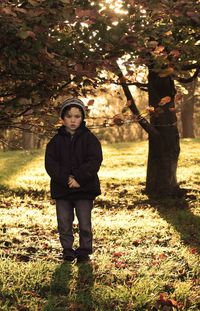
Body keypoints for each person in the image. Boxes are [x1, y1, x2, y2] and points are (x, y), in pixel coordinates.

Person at [45, 98, 103, 263]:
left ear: (82, 118)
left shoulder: (90, 139)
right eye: (69, 116)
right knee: (64, 221)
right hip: (62, 189)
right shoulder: (55, 141)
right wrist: (66, 179)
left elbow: (94, 160)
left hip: (84, 188)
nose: (73, 120)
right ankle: (67, 250)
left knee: (84, 222)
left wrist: (78, 178)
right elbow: (51, 164)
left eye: (77, 116)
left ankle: (84, 250)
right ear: (63, 119)